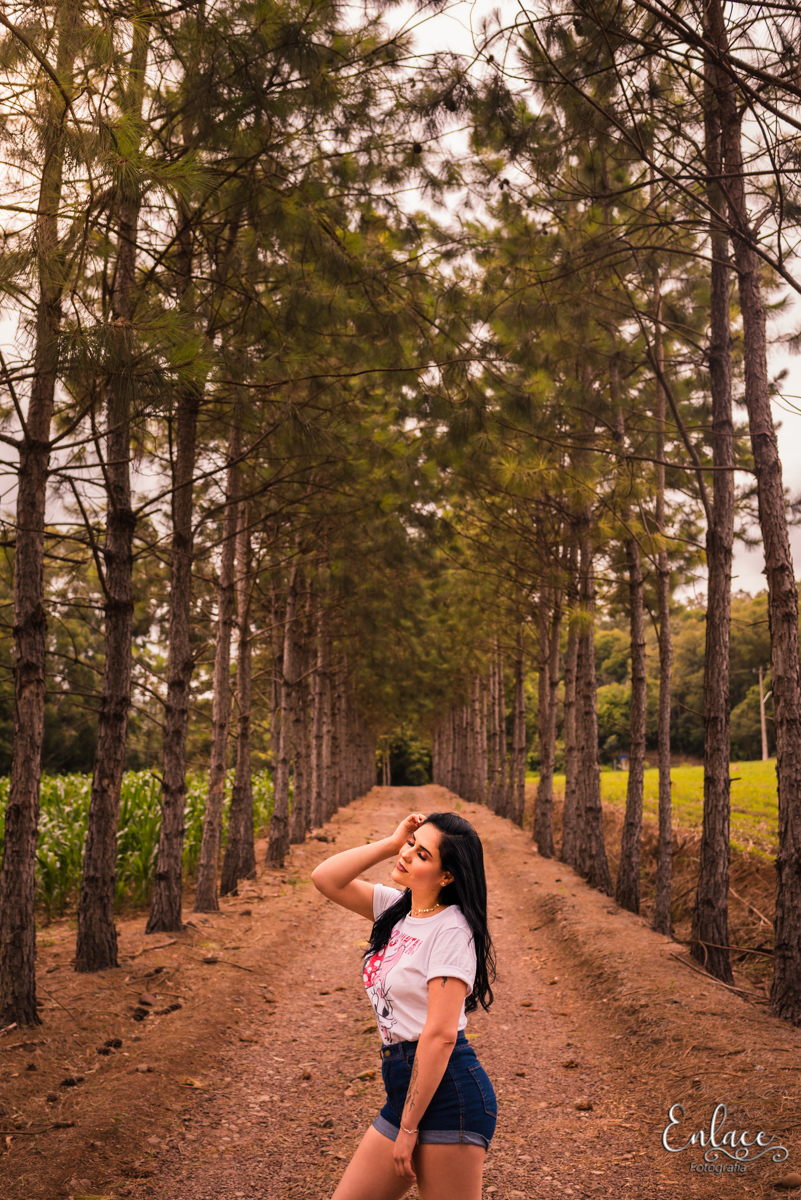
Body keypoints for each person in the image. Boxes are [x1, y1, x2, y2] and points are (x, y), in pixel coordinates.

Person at [311, 810, 497, 1200]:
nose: (409, 855)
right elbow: (325, 877)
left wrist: (409, 1128)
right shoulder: (397, 909)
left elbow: (441, 1035)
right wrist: (393, 843)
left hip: (448, 1093)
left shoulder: (451, 930)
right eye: (413, 844)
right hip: (405, 1084)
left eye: (423, 854)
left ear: (447, 876)